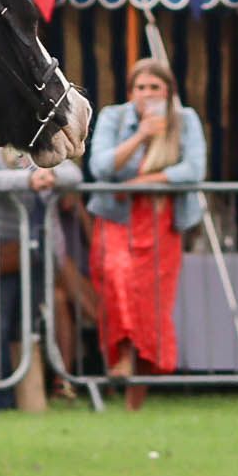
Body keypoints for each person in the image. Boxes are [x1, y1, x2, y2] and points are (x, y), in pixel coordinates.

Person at [85, 57, 207, 411]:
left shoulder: (185, 120)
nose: (147, 94)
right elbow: (101, 166)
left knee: (151, 304)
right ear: (131, 91)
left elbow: (193, 169)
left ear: (168, 91)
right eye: (141, 87)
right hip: (117, 217)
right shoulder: (114, 117)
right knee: (116, 283)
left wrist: (146, 182)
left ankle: (134, 400)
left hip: (160, 221)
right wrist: (141, 135)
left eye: (155, 87)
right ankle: (119, 360)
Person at [0, 136, 83, 409]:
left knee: (27, 326)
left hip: (35, 247)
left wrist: (49, 174)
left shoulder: (38, 144)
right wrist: (28, 181)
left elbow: (74, 174)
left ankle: (26, 397)